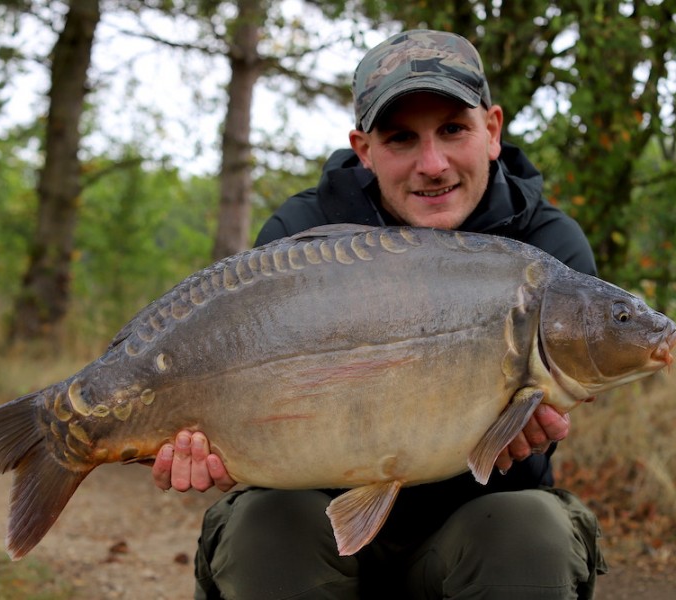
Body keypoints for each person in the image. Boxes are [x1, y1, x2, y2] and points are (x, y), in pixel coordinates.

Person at [152, 29, 607, 599]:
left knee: (530, 530)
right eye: (400, 140)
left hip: (471, 537)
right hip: (313, 533)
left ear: (491, 130)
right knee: (263, 524)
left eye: (452, 130)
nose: (432, 164)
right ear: (363, 150)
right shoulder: (298, 242)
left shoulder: (545, 251)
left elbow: (541, 415)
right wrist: (216, 448)